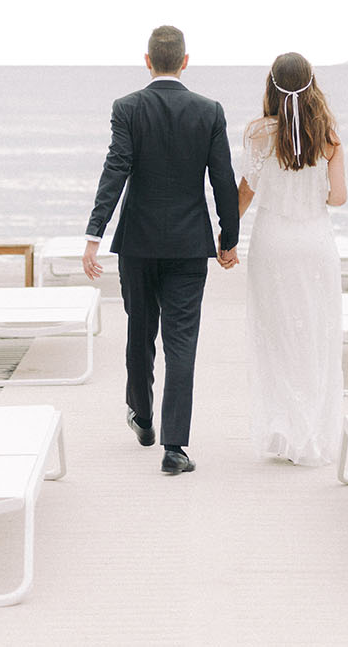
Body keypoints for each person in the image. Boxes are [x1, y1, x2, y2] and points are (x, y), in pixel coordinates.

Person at [83, 25, 240, 475]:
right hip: (190, 245)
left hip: (137, 242)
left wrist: (95, 234)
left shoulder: (127, 108)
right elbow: (223, 179)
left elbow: (116, 168)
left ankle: (143, 416)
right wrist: (227, 239)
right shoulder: (209, 111)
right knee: (181, 342)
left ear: (147, 60)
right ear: (185, 61)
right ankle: (175, 448)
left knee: (139, 330)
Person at [230, 52, 346, 466]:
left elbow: (245, 192)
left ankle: (283, 430)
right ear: (312, 85)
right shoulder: (329, 136)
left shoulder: (257, 133)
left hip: (273, 242)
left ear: (271, 86)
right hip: (314, 243)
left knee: (276, 337)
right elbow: (339, 197)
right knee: (315, 337)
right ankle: (311, 433)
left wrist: (225, 239)